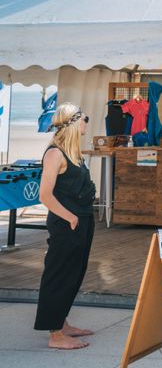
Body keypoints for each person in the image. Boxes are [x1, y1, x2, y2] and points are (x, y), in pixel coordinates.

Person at [34, 104, 97, 350]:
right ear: (72, 122)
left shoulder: (74, 153)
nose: (86, 123)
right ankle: (55, 335)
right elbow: (44, 195)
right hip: (66, 223)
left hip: (82, 221)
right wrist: (70, 217)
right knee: (59, 274)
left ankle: (61, 322)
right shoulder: (55, 154)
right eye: (84, 118)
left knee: (75, 273)